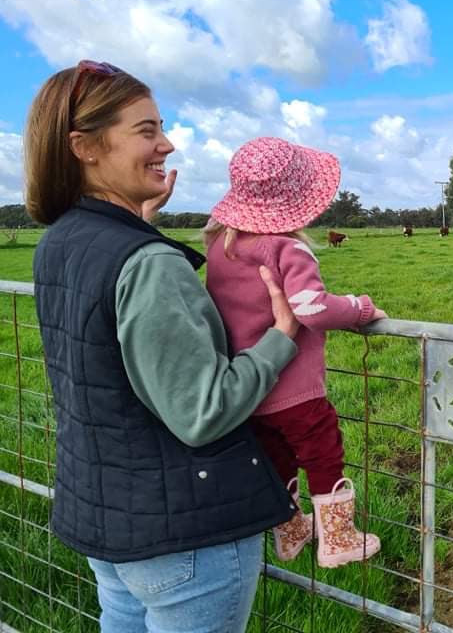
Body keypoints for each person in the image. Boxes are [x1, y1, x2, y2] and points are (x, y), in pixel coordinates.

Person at [25, 60, 303, 633]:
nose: (168, 144)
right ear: (85, 146)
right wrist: (280, 339)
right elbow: (203, 412)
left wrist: (138, 223)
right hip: (187, 538)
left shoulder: (61, 241)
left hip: (109, 518)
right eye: (147, 130)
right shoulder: (146, 264)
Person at [203, 136, 386, 567]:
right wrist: (360, 309)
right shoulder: (286, 246)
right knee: (323, 451)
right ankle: (338, 540)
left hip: (249, 385)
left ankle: (291, 533)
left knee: (277, 458)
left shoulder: (220, 248)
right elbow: (312, 307)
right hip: (295, 389)